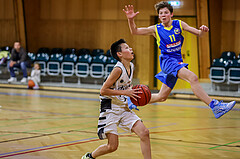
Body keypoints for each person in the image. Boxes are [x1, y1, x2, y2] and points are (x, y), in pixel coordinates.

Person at [123, 1, 236, 119]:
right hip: (168, 61)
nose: (163, 15)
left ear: (171, 14)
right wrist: (130, 19)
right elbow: (135, 31)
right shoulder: (155, 29)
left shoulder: (179, 24)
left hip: (177, 61)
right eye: (160, 13)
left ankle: (132, 101)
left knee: (162, 96)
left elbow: (199, 34)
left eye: (165, 12)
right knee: (193, 78)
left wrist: (203, 30)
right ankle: (215, 106)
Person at [81, 39, 152, 159]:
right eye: (127, 48)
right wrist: (126, 92)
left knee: (144, 133)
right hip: (110, 109)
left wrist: (131, 99)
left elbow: (126, 85)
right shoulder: (117, 69)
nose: (131, 49)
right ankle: (90, 157)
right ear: (120, 54)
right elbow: (103, 90)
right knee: (112, 146)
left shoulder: (131, 66)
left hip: (123, 107)